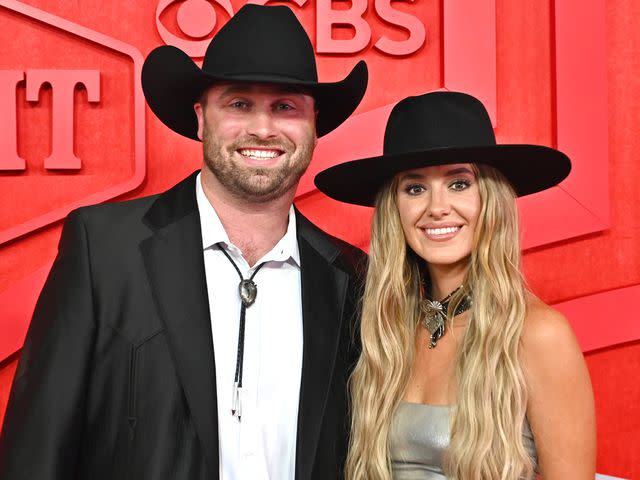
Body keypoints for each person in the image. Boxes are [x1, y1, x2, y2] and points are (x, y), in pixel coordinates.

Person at [0, 5, 368, 479]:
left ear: (313, 125)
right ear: (200, 118)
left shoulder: (350, 274)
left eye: (285, 107)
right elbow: (36, 450)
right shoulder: (105, 248)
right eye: (239, 104)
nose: (262, 127)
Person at [315, 91, 596, 479]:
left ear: (491, 199)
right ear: (394, 208)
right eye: (415, 188)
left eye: (459, 183)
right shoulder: (383, 331)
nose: (437, 207)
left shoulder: (539, 334)